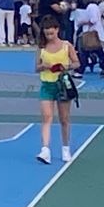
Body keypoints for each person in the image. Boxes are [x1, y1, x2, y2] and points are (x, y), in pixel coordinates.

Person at [35, 15, 79, 164]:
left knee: (64, 119)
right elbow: (36, 67)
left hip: (62, 85)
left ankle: (66, 148)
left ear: (57, 30)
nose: (49, 36)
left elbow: (77, 63)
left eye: (51, 33)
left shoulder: (67, 46)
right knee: (46, 117)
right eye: (46, 33)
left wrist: (65, 66)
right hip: (47, 85)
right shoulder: (41, 48)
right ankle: (45, 149)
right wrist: (44, 66)